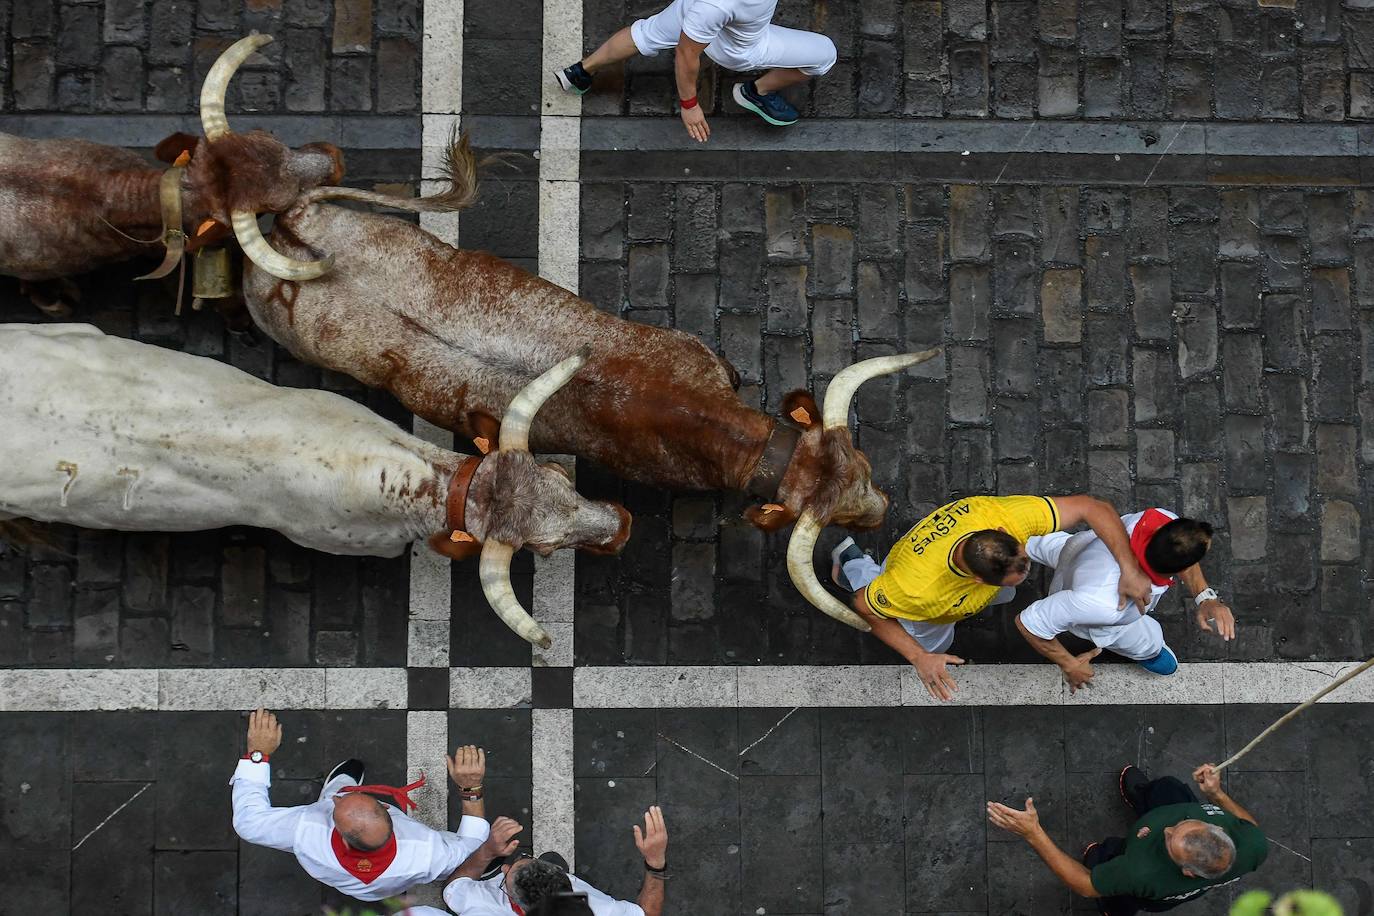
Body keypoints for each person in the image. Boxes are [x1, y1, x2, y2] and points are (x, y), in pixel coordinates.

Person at [830, 494, 1153, 701]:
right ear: (976, 580)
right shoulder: (913, 589)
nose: (1029, 571)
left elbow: (1091, 507)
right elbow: (864, 608)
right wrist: (919, 658)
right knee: (932, 644)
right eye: (1019, 571)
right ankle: (851, 563)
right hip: (924, 611)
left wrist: (1128, 567)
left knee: (1007, 593)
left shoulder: (1004, 516)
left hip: (957, 590)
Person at [230, 708, 509, 903]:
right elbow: (473, 850)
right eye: (343, 798)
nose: (338, 800)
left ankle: (336, 783)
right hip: (384, 888)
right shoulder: (427, 852)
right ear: (386, 809)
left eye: (336, 806)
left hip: (346, 881)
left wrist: (258, 754)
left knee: (334, 790)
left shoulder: (306, 829)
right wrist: (470, 787)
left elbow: (248, 822)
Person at [988, 763, 1268, 915]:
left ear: (1186, 871)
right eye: (1182, 824)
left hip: (1137, 879)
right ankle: (1144, 795)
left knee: (1107, 869)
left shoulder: (1140, 872)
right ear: (1218, 830)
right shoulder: (1253, 845)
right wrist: (1217, 795)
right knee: (1168, 789)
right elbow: (1248, 825)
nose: (1168, 829)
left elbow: (1085, 885)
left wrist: (1033, 833)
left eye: (1170, 841)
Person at [1016, 509, 1235, 690]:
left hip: (1077, 551)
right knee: (1143, 640)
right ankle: (1151, 652)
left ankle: (1012, 541)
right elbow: (1030, 624)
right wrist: (1069, 664)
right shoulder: (1105, 606)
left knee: (1045, 544)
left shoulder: (1154, 520)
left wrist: (1205, 597)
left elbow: (1182, 547)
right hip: (1089, 613)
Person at [556, 0, 838, 140]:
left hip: (689, 6)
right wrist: (689, 105)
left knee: (645, 33)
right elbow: (687, 53)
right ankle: (756, 91)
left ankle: (581, 71)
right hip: (733, 47)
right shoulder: (716, 6)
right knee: (825, 54)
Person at [443, 806, 669, 915]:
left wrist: (488, 852)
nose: (504, 867)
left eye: (505, 881)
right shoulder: (602, 910)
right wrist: (655, 863)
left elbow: (454, 888)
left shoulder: (481, 907)